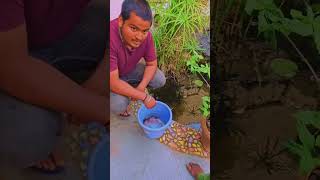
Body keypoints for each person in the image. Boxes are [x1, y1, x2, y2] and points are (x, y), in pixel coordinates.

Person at [0, 0, 107, 175]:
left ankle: (50, 89)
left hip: (56, 31)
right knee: (28, 136)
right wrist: (99, 109)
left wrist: (102, 77)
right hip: (8, 50)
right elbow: (11, 66)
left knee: (131, 32)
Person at [110, 0, 166, 116]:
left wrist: (141, 87)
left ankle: (129, 89)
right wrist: (144, 97)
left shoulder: (147, 37)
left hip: (128, 71)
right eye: (134, 28)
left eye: (145, 31)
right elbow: (114, 82)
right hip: (109, 78)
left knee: (159, 79)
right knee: (118, 105)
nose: (139, 37)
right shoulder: (110, 36)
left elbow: (152, 64)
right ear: (121, 21)